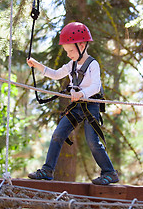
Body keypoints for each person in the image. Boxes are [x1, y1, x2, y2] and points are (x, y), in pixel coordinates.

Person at [26, 22, 119, 185]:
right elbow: (55, 74)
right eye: (67, 51)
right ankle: (48, 169)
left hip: (91, 106)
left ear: (82, 45)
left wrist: (81, 93)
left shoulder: (93, 65)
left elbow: (95, 86)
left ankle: (110, 172)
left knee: (92, 141)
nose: (68, 54)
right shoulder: (71, 65)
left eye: (70, 50)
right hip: (76, 107)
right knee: (58, 134)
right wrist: (37, 65)